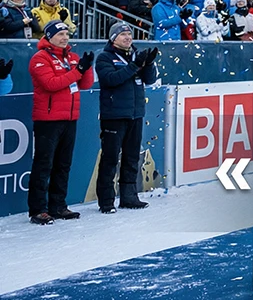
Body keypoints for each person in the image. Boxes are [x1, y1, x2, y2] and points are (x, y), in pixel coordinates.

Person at [27, 21, 95, 224]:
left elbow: (85, 84)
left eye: (67, 34)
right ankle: (38, 209)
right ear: (49, 37)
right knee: (43, 165)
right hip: (48, 119)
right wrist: (77, 71)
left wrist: (86, 68)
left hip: (70, 118)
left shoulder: (72, 58)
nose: (65, 38)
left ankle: (58, 206)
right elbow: (51, 84)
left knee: (63, 165)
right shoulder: (40, 58)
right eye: (60, 34)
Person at [94, 23, 159, 213]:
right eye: (123, 34)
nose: (128, 38)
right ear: (113, 38)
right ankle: (106, 201)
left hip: (135, 113)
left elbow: (150, 80)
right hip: (114, 115)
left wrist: (149, 64)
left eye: (129, 34)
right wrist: (135, 65)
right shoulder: (105, 57)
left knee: (131, 158)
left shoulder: (135, 55)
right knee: (110, 158)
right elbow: (112, 79)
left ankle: (129, 196)